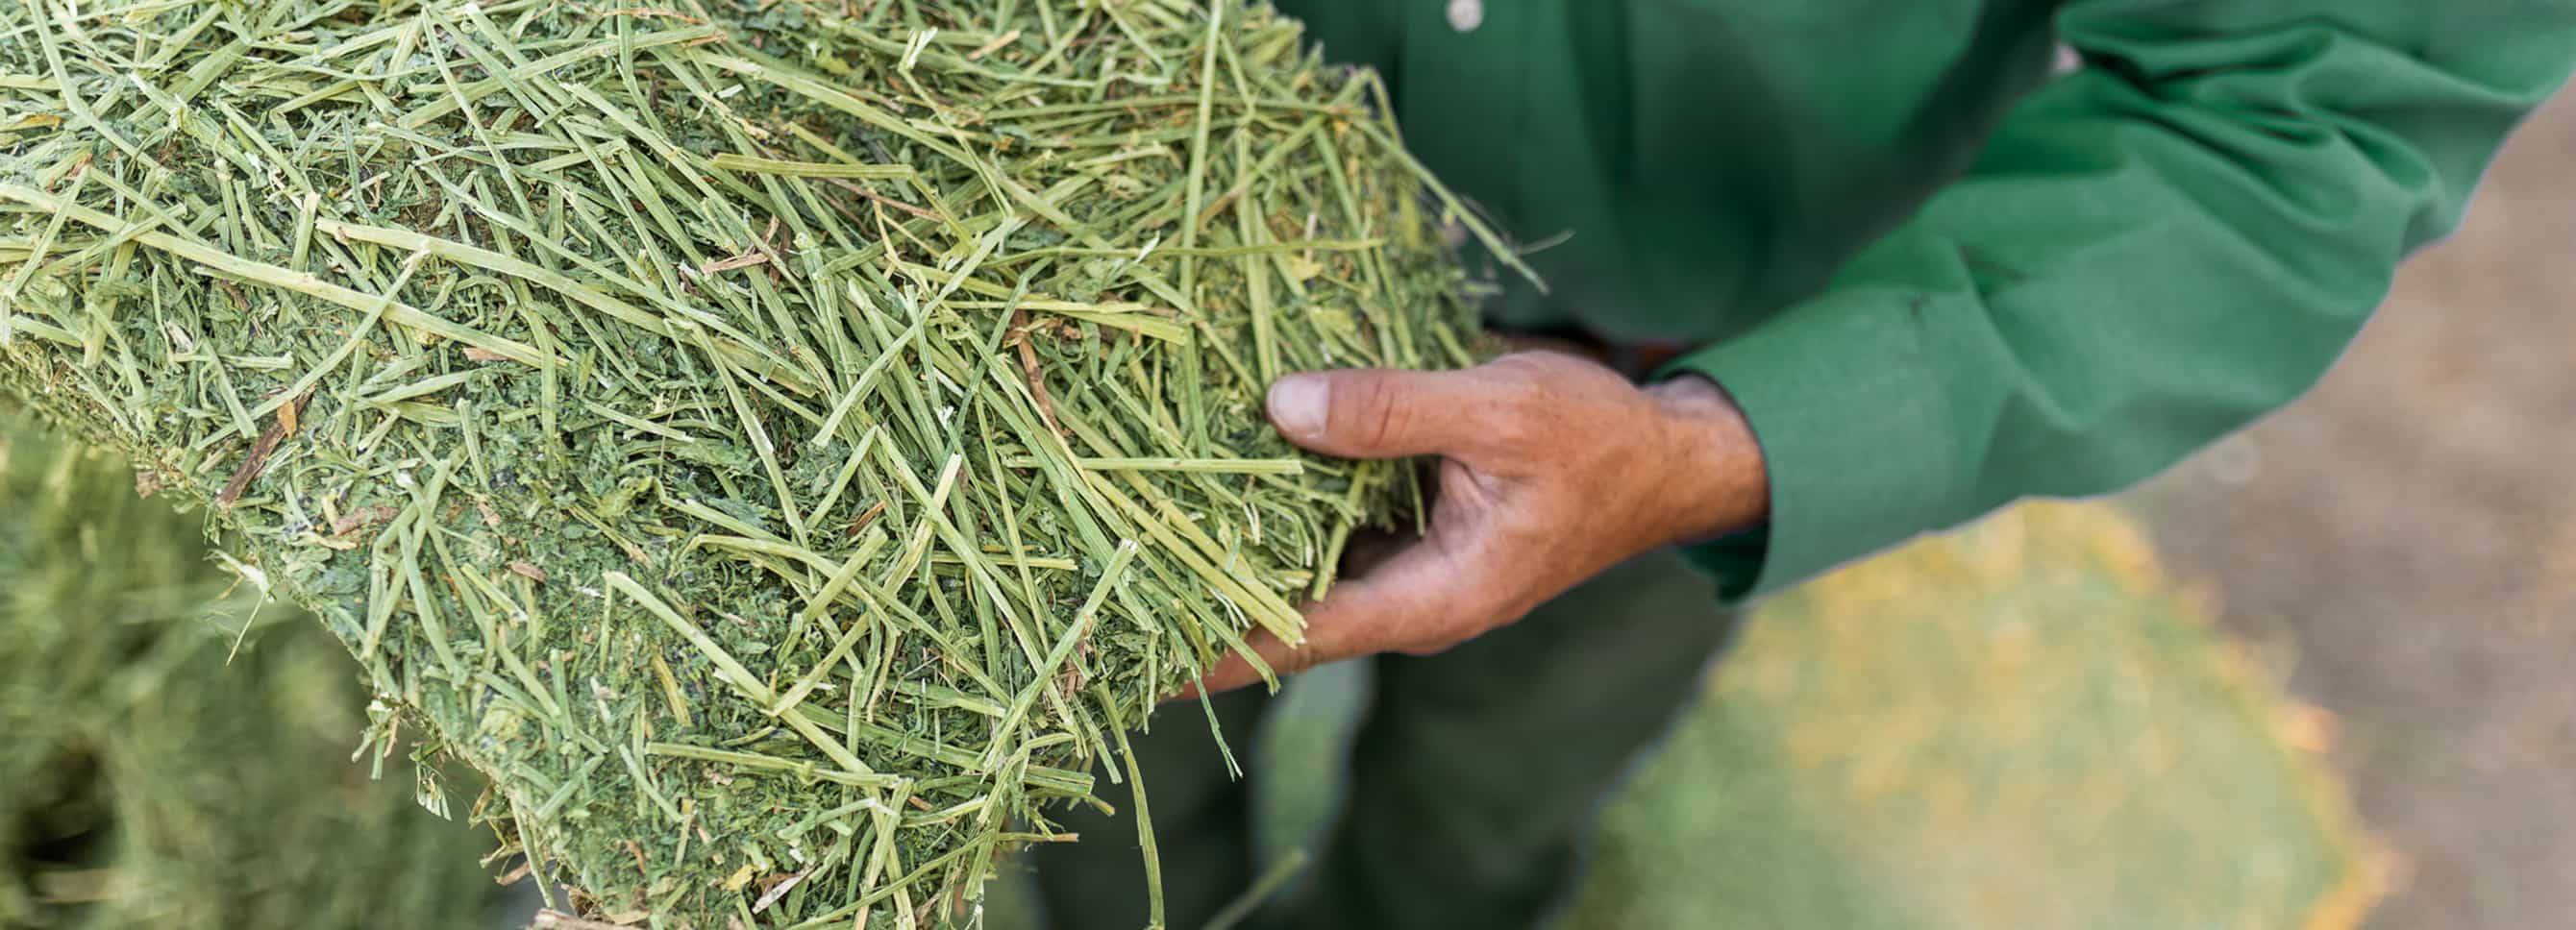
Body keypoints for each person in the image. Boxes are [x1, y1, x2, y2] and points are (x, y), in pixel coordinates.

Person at [1030, 2, 2576, 928]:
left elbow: (2309, 109)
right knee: (1103, 765)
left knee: (1483, 815)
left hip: (1674, 371)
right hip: (1088, 288)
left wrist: (1723, 448)